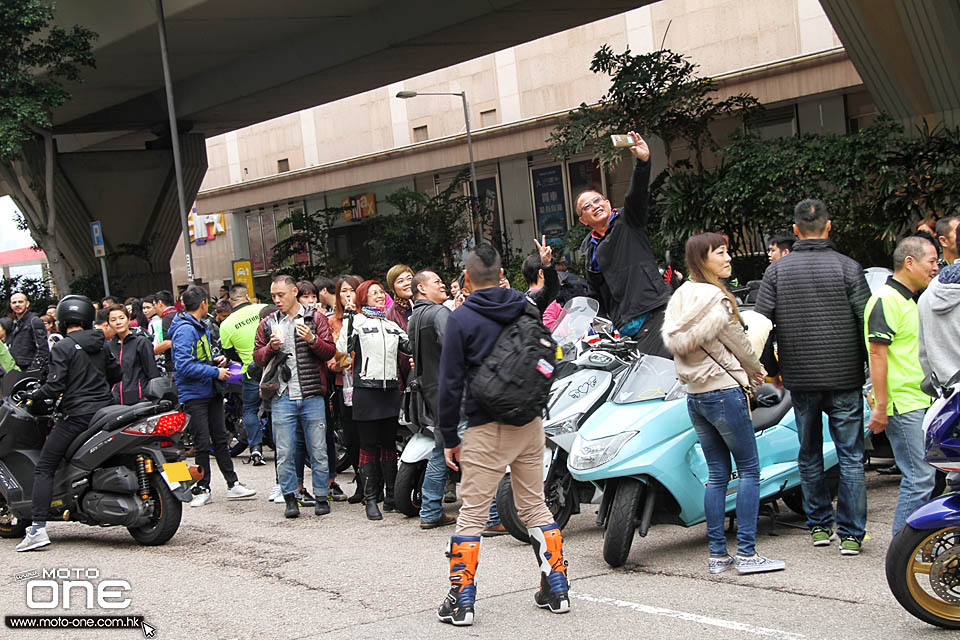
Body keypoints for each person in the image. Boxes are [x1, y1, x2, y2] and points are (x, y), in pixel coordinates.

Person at [434, 244, 570, 626]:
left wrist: (448, 437)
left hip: (486, 427)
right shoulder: (524, 305)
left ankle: (461, 600)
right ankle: (555, 587)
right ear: (500, 273)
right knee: (534, 506)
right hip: (529, 423)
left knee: (473, 514)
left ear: (467, 277)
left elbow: (449, 386)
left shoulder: (461, 320)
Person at [662, 233, 784, 575]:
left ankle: (718, 554)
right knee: (749, 470)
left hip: (695, 396)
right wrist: (758, 372)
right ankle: (747, 553)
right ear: (703, 259)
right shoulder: (717, 300)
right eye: (721, 253)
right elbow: (743, 346)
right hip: (725, 392)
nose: (728, 258)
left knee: (716, 474)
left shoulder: (681, 295)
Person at [755, 198, 871, 555]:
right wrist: (864, 367)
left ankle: (819, 526)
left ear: (795, 231)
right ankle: (851, 534)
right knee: (850, 454)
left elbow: (762, 326)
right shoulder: (849, 268)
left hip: (800, 378)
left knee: (809, 453)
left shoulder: (777, 272)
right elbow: (866, 322)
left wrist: (774, 371)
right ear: (829, 226)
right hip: (845, 376)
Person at [17, 295, 122, 551]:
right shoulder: (101, 343)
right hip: (105, 411)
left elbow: (55, 385)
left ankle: (38, 528)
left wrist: (33, 394)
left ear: (63, 320)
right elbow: (117, 373)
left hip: (77, 416)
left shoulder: (62, 347)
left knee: (44, 467)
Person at [865, 236, 938, 535]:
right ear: (909, 262)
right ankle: (901, 548)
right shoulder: (885, 299)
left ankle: (913, 546)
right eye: (931, 261)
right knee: (919, 478)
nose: (935, 268)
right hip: (902, 403)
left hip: (919, 399)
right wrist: (881, 407)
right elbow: (877, 354)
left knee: (925, 477)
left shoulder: (910, 298)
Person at [576, 131, 671, 356]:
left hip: (653, 310)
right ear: (583, 220)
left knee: (656, 377)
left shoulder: (628, 221)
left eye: (597, 200)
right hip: (624, 325)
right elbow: (595, 294)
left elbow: (636, 194)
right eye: (587, 206)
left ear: (608, 203)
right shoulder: (590, 250)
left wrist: (642, 162)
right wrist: (585, 325)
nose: (595, 206)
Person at [254, 276, 337, 518]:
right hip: (282, 394)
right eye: (273, 296)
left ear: (293, 292)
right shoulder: (268, 323)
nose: (277, 300)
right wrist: (271, 348)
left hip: (311, 394)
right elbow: (257, 357)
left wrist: (312, 340)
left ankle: (321, 495)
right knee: (285, 450)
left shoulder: (315, 317)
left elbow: (330, 350)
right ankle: (290, 496)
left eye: (281, 295)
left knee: (319, 448)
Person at [169, 286, 256, 507]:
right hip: (195, 393)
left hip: (212, 390)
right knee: (201, 442)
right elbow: (183, 365)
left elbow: (202, 355)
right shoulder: (185, 329)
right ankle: (201, 487)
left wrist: (217, 360)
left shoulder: (202, 325)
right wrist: (214, 372)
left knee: (219, 438)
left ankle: (232, 483)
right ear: (203, 303)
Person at [335, 279, 411, 521]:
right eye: (373, 293)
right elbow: (343, 348)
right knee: (368, 445)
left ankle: (391, 496)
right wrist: (347, 317)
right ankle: (370, 498)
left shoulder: (390, 325)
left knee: (389, 444)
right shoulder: (356, 321)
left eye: (381, 292)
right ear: (363, 298)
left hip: (390, 390)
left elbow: (409, 346)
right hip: (366, 390)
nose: (379, 296)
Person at [408, 269, 457, 529]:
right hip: (453, 393)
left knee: (440, 452)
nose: (442, 284)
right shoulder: (439, 313)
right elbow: (456, 347)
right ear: (422, 289)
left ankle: (430, 510)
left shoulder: (415, 317)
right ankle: (493, 516)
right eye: (437, 281)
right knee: (479, 452)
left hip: (433, 394)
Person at [297, 279, 346, 501]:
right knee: (298, 439)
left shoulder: (322, 319)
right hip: (296, 389)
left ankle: (330, 482)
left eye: (313, 297)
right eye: (305, 297)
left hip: (322, 386)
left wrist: (314, 336)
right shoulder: (285, 321)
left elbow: (329, 350)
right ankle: (296, 487)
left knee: (325, 437)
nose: (310, 301)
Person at [219, 284, 268, 465]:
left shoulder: (226, 324)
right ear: (247, 297)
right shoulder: (263, 309)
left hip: (251, 371)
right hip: (274, 367)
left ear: (230, 301)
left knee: (250, 410)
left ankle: (255, 449)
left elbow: (230, 354)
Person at [327, 276, 363, 503]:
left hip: (369, 383)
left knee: (373, 436)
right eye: (343, 291)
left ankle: (379, 482)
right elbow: (331, 360)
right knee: (352, 437)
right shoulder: (333, 322)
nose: (347, 294)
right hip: (345, 385)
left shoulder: (371, 316)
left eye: (352, 290)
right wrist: (341, 363)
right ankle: (362, 482)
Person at [106, 304, 160, 405]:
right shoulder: (109, 346)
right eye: (113, 320)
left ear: (128, 318)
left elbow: (152, 372)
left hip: (140, 400)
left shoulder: (141, 342)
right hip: (116, 401)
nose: (118, 322)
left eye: (121, 318)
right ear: (108, 323)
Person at [521, 238, 562, 329]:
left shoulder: (523, 300)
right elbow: (552, 327)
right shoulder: (549, 300)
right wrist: (547, 264)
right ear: (541, 273)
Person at [8, 292, 50, 372]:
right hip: (18, 368)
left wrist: (32, 370)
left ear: (27, 304)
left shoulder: (34, 321)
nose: (17, 305)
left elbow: (43, 349)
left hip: (30, 369)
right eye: (14, 302)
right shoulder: (15, 323)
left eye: (20, 302)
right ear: (11, 305)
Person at [151, 290, 178, 372]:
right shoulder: (179, 314)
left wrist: (151, 352)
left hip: (174, 363)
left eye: (154, 305)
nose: (154, 309)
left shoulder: (167, 318)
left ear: (159, 303)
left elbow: (168, 342)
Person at [385, 265, 415, 332]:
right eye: (400, 281)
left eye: (409, 279)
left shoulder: (428, 301)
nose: (407, 283)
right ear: (393, 289)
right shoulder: (391, 315)